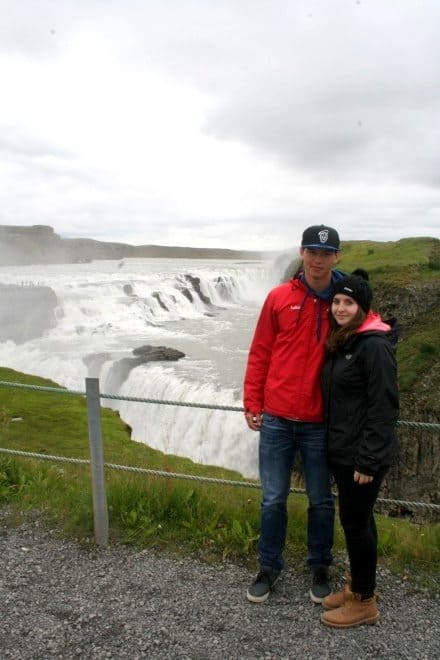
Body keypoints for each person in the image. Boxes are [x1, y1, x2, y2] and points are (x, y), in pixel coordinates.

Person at [243, 224, 346, 604]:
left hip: (320, 422)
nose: (318, 260)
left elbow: (367, 342)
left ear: (337, 257)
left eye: (326, 253)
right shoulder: (278, 298)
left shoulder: (343, 302)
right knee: (273, 499)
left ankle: (319, 565)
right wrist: (252, 402)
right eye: (312, 252)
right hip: (277, 419)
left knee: (321, 499)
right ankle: (268, 566)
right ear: (302, 253)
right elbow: (260, 353)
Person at [320, 270, 399, 628]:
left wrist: (367, 459)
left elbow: (383, 408)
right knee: (359, 521)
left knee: (355, 524)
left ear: (362, 307)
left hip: (361, 456)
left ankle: (364, 602)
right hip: (346, 450)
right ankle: (358, 586)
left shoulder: (373, 346)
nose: (339, 307)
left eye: (348, 302)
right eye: (336, 301)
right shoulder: (348, 340)